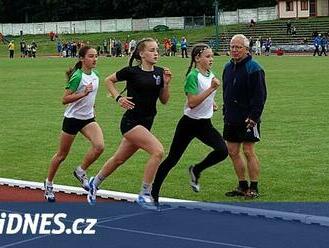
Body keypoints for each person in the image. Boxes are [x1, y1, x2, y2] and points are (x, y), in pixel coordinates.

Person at [87, 38, 172, 209]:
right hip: (131, 123)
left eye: (157, 50)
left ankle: (94, 183)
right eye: (152, 50)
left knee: (118, 159)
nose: (156, 53)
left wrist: (166, 84)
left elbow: (164, 100)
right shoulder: (131, 72)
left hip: (147, 123)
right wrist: (119, 98)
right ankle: (144, 194)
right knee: (158, 151)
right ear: (141, 54)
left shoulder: (160, 72)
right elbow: (108, 80)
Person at [151, 44, 228, 205]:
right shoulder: (193, 76)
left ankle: (196, 169)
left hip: (205, 124)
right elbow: (192, 102)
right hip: (189, 124)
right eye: (207, 57)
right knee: (172, 159)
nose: (211, 59)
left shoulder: (209, 73)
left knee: (222, 151)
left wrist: (212, 102)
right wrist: (211, 90)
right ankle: (154, 192)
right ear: (197, 58)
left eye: (212, 56)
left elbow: (206, 93)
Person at [44, 46, 104, 202]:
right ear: (82, 59)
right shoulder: (77, 76)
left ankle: (80, 171)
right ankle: (49, 183)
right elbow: (64, 99)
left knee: (99, 146)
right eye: (91, 56)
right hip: (72, 119)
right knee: (62, 155)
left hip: (88, 118)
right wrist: (83, 93)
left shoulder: (96, 75)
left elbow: (92, 98)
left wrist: (93, 108)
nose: (94, 59)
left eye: (96, 56)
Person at [222, 34, 267, 199]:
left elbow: (260, 96)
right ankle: (242, 185)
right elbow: (226, 92)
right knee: (232, 151)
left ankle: (254, 186)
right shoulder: (227, 67)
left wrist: (254, 117)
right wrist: (225, 111)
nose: (234, 50)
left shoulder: (254, 68)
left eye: (238, 47)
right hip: (231, 117)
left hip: (248, 118)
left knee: (248, 151)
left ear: (246, 49)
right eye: (232, 47)